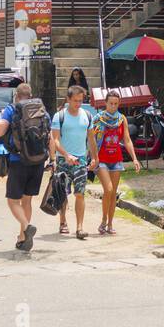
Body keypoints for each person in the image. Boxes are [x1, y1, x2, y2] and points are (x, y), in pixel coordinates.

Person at [0, 83, 48, 251]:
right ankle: (23, 238)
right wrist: (52, 160)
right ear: (30, 95)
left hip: (19, 161)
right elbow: (49, 136)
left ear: (16, 95)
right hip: (38, 161)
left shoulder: (12, 109)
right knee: (27, 200)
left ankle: (26, 226)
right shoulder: (41, 109)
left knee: (12, 201)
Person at [89, 90, 141, 236]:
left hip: (116, 159)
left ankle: (110, 224)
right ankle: (103, 220)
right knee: (109, 189)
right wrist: (92, 157)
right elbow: (91, 139)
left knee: (113, 194)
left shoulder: (121, 119)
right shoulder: (98, 119)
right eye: (110, 103)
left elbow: (127, 140)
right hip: (101, 159)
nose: (113, 106)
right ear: (105, 103)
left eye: (116, 104)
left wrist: (135, 158)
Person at [51, 85, 94, 240]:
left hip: (81, 160)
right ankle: (63, 222)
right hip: (63, 160)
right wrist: (65, 155)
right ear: (68, 99)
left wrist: (94, 157)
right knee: (62, 194)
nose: (78, 104)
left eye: (80, 101)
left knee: (80, 194)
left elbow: (91, 138)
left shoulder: (87, 116)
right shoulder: (59, 116)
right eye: (75, 100)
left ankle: (80, 227)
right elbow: (55, 140)